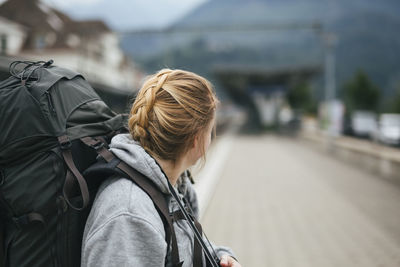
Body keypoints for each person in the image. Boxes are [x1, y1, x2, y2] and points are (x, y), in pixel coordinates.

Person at [81, 69, 241, 267]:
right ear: (196, 140)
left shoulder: (174, 186)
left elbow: (185, 245)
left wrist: (219, 257)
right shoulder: (130, 215)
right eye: (211, 130)